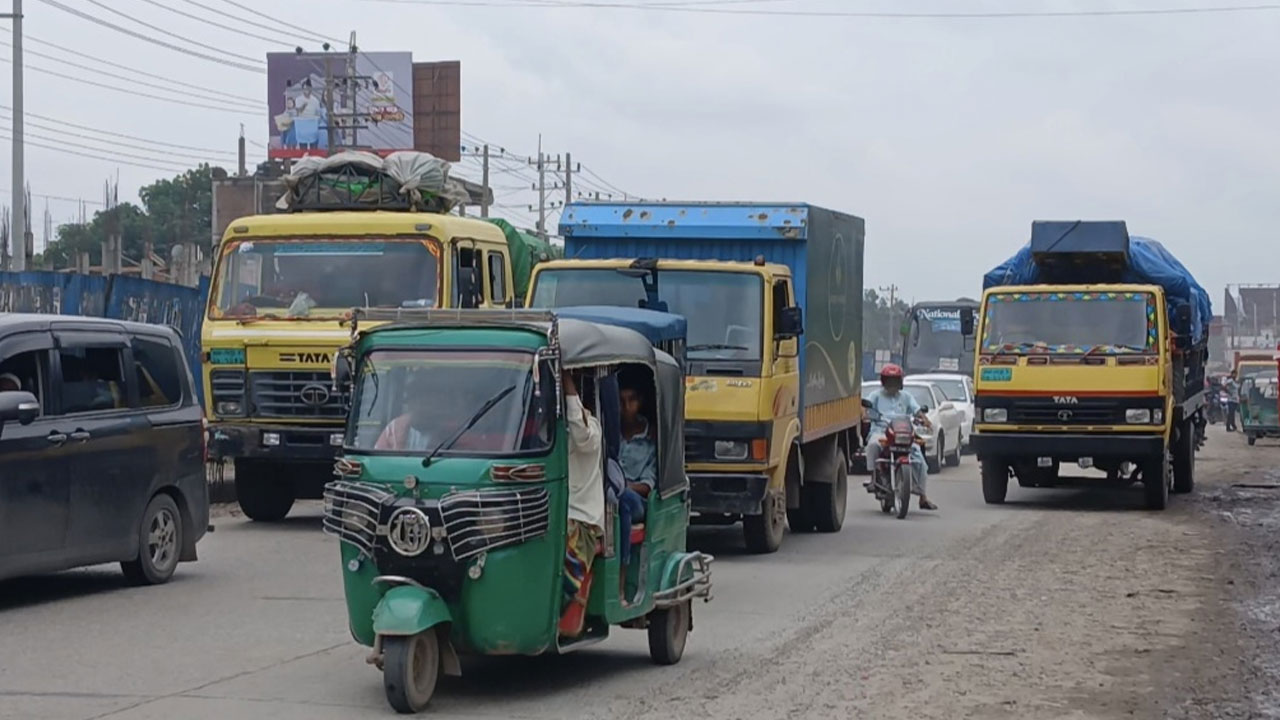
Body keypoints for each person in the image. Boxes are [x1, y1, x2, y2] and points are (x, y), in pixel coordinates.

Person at [560, 370, 604, 635]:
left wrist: (567, 384)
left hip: (582, 519)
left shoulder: (592, 431)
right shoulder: (549, 435)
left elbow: (580, 430)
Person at [864, 364, 937, 510]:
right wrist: (865, 415)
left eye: (895, 380)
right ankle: (873, 477)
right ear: (883, 381)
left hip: (902, 433)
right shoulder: (875, 395)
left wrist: (925, 420)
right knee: (872, 445)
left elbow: (917, 411)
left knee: (920, 461)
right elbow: (866, 407)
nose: (892, 384)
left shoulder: (906, 397)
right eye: (889, 380)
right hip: (881, 430)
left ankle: (923, 497)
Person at [617, 382, 656, 571]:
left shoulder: (650, 441)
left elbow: (647, 486)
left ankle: (622, 572)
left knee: (623, 500)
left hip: (636, 501)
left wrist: (622, 486)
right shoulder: (609, 432)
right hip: (607, 492)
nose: (626, 407)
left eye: (631, 400)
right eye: (621, 401)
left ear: (639, 402)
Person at [374, 375, 446, 451]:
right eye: (415, 400)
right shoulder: (394, 428)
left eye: (426, 401)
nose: (420, 406)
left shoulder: (451, 432)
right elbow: (376, 457)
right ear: (409, 403)